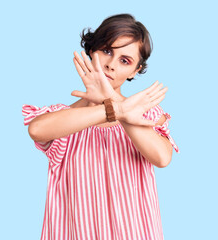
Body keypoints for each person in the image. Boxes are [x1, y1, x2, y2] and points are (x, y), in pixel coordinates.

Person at [22, 14, 179, 240]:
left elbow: (162, 158)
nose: (110, 64)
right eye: (106, 50)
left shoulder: (145, 115)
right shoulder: (64, 119)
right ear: (92, 50)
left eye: (125, 61)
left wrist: (120, 109)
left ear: (135, 71)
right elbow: (36, 130)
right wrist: (114, 109)